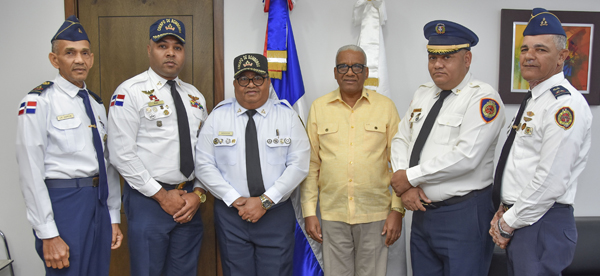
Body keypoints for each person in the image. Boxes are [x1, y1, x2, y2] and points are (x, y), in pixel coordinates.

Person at [390, 21, 505, 276]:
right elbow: (401, 139)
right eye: (432, 57)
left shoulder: (483, 99)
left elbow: (466, 157)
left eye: (447, 57)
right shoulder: (423, 94)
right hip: (422, 213)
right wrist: (405, 182)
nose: (437, 64)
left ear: (467, 59)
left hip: (463, 214)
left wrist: (408, 177)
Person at [16, 15, 122, 275]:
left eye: (85, 53)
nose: (79, 60)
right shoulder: (38, 102)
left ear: (92, 58)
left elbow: (106, 164)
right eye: (70, 53)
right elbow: (30, 171)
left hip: (97, 202)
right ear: (55, 60)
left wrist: (113, 216)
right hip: (64, 205)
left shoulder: (96, 105)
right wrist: (48, 233)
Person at [489, 8, 592, 276]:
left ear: (562, 57)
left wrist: (507, 222)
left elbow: (550, 180)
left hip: (541, 223)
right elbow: (522, 163)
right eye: (524, 49)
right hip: (524, 218)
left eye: (540, 49)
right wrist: (504, 207)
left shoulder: (563, 104)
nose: (529, 56)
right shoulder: (536, 99)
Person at [107, 18, 208, 276]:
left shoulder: (195, 96)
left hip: (188, 202)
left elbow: (206, 152)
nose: (171, 52)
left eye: (177, 47)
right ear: (149, 49)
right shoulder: (129, 92)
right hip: (148, 201)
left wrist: (198, 194)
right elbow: (121, 154)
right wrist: (162, 196)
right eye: (163, 45)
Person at [195, 53, 310, 276]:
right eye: (243, 79)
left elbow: (299, 165)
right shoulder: (217, 116)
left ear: (268, 81)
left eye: (257, 78)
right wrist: (234, 199)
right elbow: (204, 164)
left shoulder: (287, 116)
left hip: (275, 213)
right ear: (234, 84)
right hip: (232, 214)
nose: (251, 85)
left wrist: (265, 201)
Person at [300, 45, 404, 276]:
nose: (350, 72)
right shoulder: (318, 108)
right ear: (335, 72)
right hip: (332, 213)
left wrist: (397, 210)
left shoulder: (385, 107)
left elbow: (398, 162)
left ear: (366, 72)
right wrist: (309, 212)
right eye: (343, 67)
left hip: (376, 214)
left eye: (357, 66)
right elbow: (311, 164)